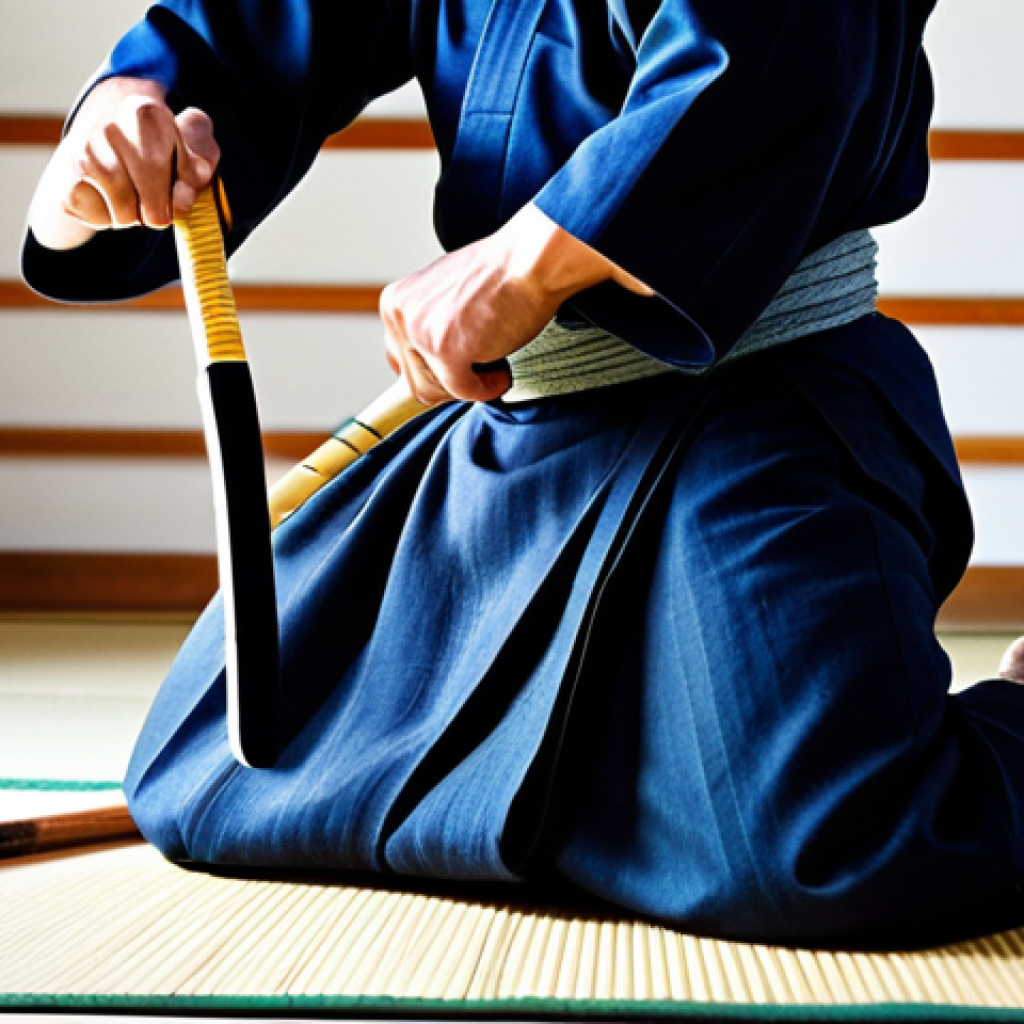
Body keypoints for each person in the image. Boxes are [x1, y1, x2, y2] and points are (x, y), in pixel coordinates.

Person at [23, 0, 1024, 948]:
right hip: (511, 417)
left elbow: (769, 56)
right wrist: (117, 132)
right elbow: (235, 41)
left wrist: (528, 264)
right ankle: (633, 800)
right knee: (211, 769)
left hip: (749, 401)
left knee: (839, 846)